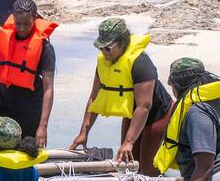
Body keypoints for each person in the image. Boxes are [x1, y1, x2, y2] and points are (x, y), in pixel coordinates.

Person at [69, 18, 173, 171]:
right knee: (127, 162)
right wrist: (83, 132)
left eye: (108, 48)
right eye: (101, 47)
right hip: (132, 114)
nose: (104, 51)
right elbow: (95, 97)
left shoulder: (141, 63)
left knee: (146, 165)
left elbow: (145, 106)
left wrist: (129, 142)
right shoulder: (104, 62)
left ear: (122, 43)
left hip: (157, 115)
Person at [0, 0, 57, 146]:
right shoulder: (8, 37)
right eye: (18, 23)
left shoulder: (45, 48)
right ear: (13, 18)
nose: (22, 28)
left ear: (35, 19)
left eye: (27, 24)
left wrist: (43, 126)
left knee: (25, 155)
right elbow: (9, 70)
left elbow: (48, 88)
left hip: (29, 109)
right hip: (3, 104)